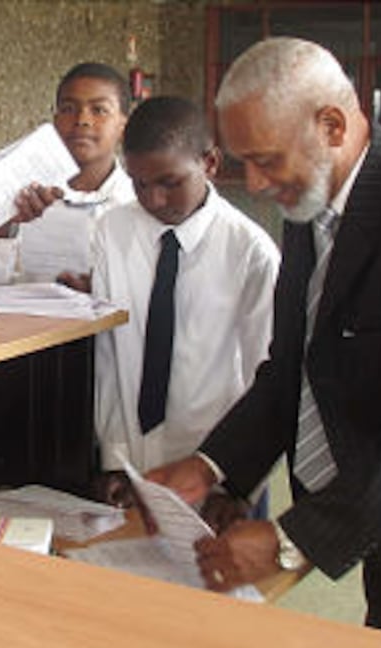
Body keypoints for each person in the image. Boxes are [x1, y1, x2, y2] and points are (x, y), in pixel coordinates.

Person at [146, 38, 381, 648]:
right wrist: (211, 466)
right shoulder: (311, 201)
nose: (252, 182)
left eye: (266, 160)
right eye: (244, 161)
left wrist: (290, 540)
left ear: (332, 124)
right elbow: (293, 372)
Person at [93, 96, 279, 512]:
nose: (154, 199)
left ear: (210, 163)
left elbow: (266, 378)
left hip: (216, 469)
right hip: (136, 461)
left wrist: (235, 483)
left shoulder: (250, 252)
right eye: (139, 183)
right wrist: (114, 458)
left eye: (170, 182)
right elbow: (108, 356)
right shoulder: (112, 231)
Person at [0, 61, 134, 291]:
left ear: (123, 125)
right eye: (69, 108)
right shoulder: (25, 193)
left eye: (99, 110)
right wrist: (5, 227)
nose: (82, 120)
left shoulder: (135, 202)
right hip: (30, 324)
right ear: (55, 120)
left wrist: (101, 289)